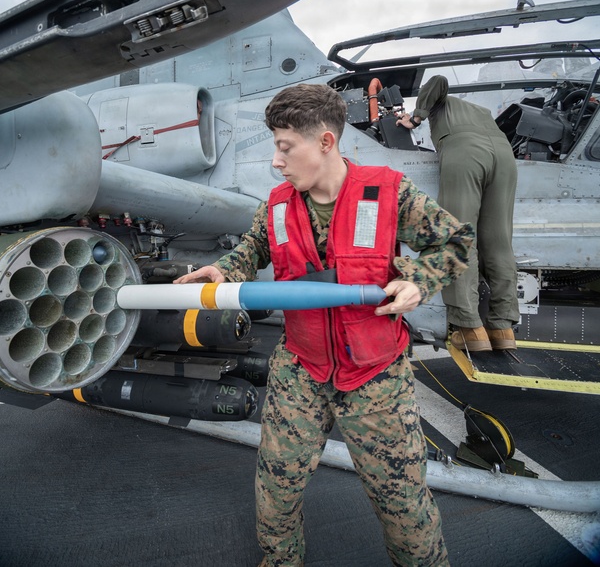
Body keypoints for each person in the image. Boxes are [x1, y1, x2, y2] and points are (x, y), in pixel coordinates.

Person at [175, 83, 473, 567]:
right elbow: (251, 250)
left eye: (285, 147)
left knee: (404, 506)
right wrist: (222, 271)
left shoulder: (389, 192)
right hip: (301, 368)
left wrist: (419, 279)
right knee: (276, 489)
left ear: (326, 142)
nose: (277, 161)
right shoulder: (277, 205)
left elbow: (455, 242)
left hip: (375, 376)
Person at [398, 74, 520, 352]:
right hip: (504, 154)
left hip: (466, 153)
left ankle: (469, 328)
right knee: (499, 242)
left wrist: (415, 118)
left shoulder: (442, 103)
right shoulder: (481, 112)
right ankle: (502, 327)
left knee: (460, 238)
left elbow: (438, 81)